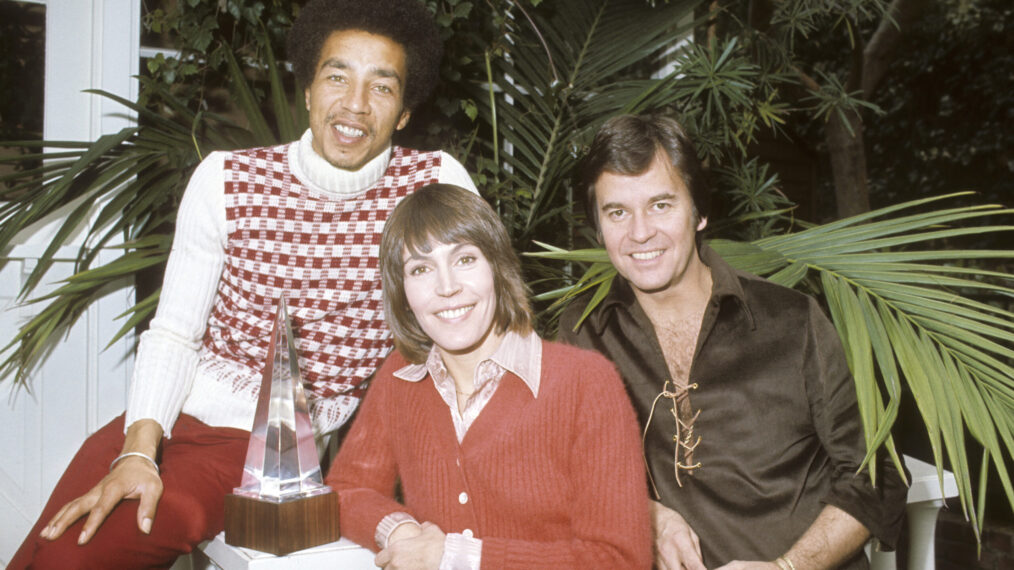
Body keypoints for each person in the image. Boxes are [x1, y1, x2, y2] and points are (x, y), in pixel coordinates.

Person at [10, 0, 477, 567]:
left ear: (403, 111)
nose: (354, 104)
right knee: (55, 544)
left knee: (79, 555)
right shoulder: (228, 179)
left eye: (382, 87)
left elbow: (466, 330)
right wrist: (137, 451)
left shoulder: (432, 184)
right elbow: (175, 332)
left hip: (263, 452)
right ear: (307, 90)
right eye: (336, 76)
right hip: (157, 422)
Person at [558, 114, 908, 570]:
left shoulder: (793, 322)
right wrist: (643, 515)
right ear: (599, 228)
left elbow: (877, 476)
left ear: (700, 213)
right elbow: (562, 472)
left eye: (661, 205)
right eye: (617, 212)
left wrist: (788, 567)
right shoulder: (586, 331)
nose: (639, 232)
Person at [326, 183, 653, 569]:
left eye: (465, 260)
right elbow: (346, 490)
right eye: (420, 269)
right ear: (403, 294)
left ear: (496, 267)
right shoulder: (400, 375)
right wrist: (400, 532)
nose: (447, 288)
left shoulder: (587, 383)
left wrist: (456, 557)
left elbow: (619, 561)